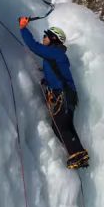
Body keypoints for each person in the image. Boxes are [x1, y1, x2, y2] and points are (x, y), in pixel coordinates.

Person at [19, 16, 89, 169]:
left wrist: (23, 28)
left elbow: (34, 46)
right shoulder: (56, 55)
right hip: (66, 94)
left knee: (61, 126)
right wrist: (46, 81)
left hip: (62, 94)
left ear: (53, 38)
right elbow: (55, 73)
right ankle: (79, 154)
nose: (43, 38)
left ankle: (77, 154)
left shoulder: (54, 53)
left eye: (46, 36)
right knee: (63, 126)